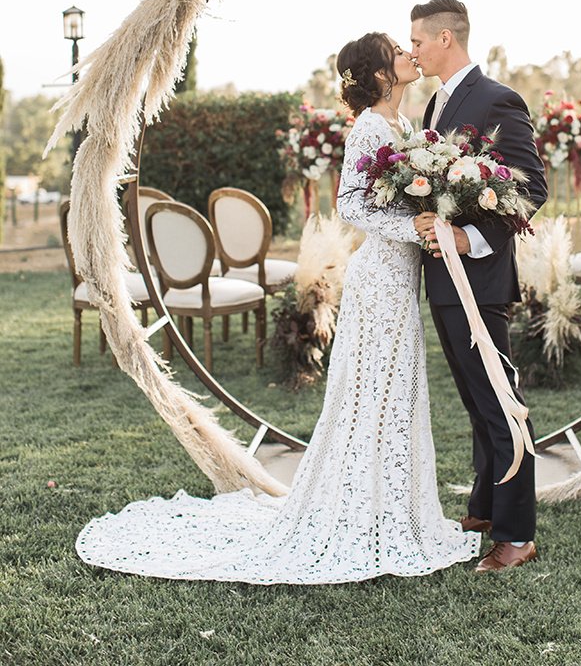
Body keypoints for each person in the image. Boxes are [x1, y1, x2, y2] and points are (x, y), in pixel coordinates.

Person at [75, 31, 480, 585]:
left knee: (396, 389)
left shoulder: (405, 127)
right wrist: (411, 226)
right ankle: (361, 513)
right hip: (379, 278)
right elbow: (351, 206)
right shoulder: (368, 128)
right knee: (372, 390)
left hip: (402, 276)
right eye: (398, 50)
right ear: (382, 73)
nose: (410, 54)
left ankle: (396, 509)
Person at [410, 0, 548, 573]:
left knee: (500, 402)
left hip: (480, 278)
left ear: (446, 38)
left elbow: (530, 188)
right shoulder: (433, 107)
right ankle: (487, 506)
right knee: (475, 400)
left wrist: (470, 239)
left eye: (417, 40)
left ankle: (517, 535)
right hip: (444, 279)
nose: (412, 50)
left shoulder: (496, 100)